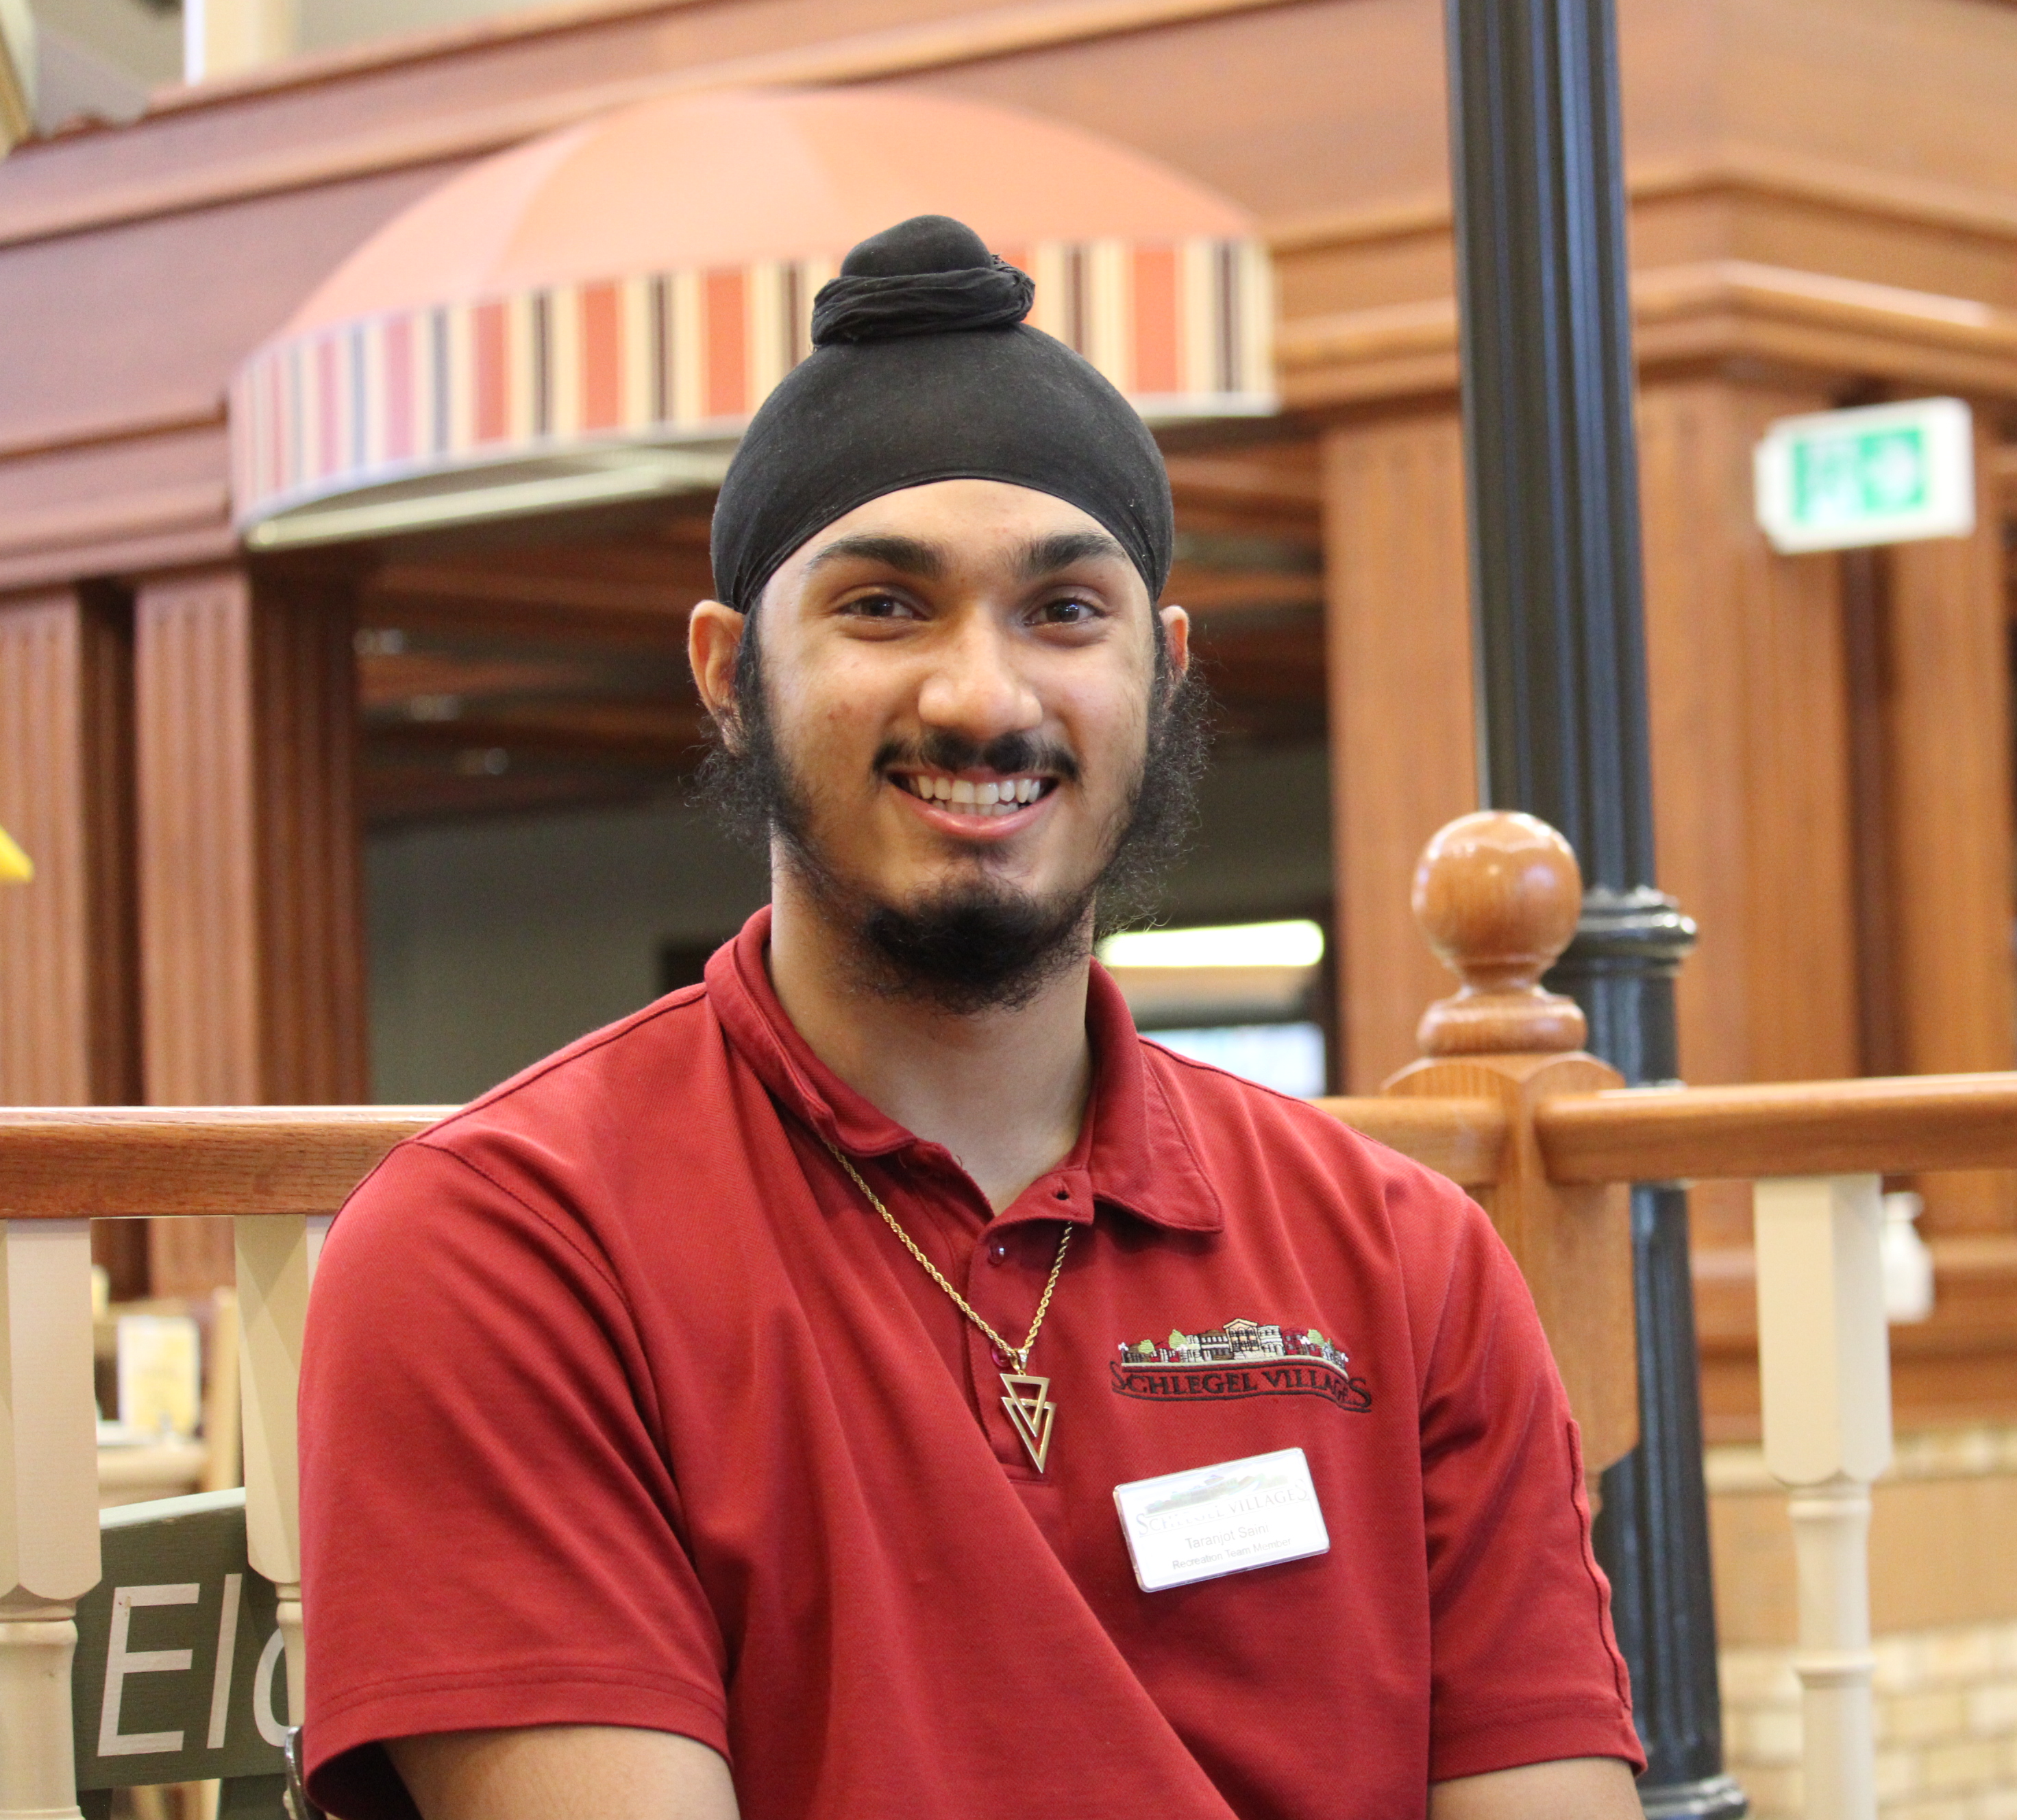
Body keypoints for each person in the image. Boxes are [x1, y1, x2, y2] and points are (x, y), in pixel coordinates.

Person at [297, 214, 1646, 1820]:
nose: (983, 696)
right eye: (882, 607)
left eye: (1065, 611)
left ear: (1161, 666)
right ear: (731, 673)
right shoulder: (507, 1244)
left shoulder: (1406, 1261)